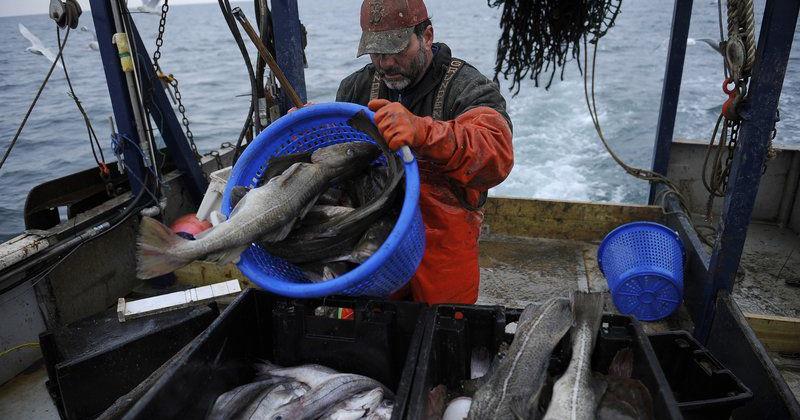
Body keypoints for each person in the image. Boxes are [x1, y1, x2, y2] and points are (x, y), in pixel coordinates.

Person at [336, 0, 514, 304]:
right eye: (377, 52)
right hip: (376, 237)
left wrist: (423, 132)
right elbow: (336, 155)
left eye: (396, 50)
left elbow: (495, 153)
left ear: (427, 36)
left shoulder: (468, 87)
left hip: (444, 245)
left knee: (445, 331)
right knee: (371, 328)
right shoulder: (355, 89)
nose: (386, 63)